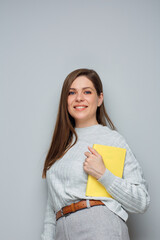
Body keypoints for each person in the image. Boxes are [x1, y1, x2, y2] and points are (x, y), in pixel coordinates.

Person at [41, 68, 150, 240]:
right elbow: (52, 209)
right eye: (72, 92)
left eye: (87, 92)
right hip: (62, 231)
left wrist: (103, 175)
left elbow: (141, 201)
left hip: (100, 228)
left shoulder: (111, 139)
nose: (79, 98)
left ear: (99, 99)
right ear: (65, 100)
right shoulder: (60, 147)